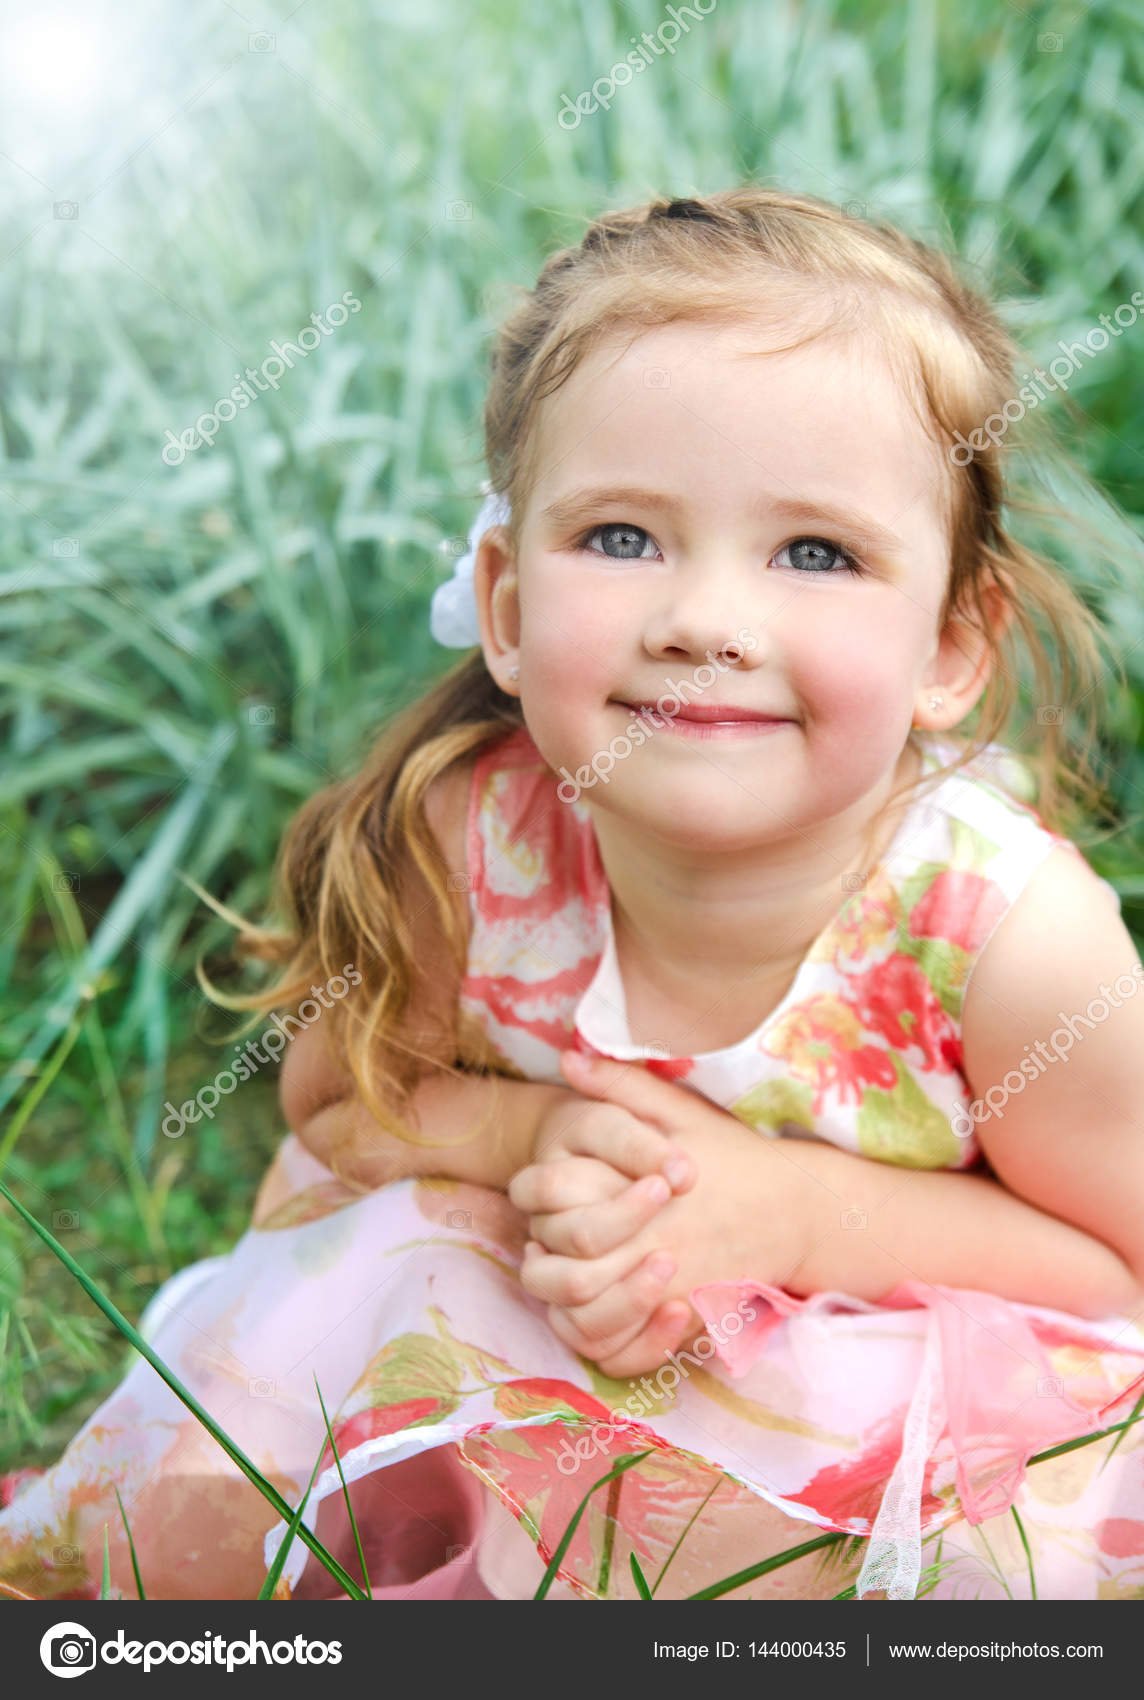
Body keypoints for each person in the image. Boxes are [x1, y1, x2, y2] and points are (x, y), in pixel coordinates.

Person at [4, 186, 1144, 1604]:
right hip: (549, 1319)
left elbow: (1114, 1271)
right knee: (398, 1249)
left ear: (951, 647)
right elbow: (337, 1108)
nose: (704, 620)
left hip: (885, 1386)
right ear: (503, 599)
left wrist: (783, 1214)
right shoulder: (470, 837)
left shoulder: (1011, 941)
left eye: (815, 553)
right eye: (620, 537)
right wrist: (545, 1128)